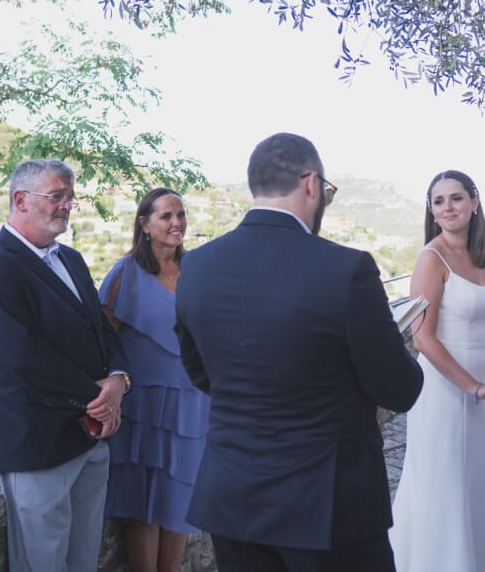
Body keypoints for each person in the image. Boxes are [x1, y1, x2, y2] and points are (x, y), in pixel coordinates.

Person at [174, 132, 424, 572]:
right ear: (312, 184)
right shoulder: (346, 269)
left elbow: (201, 372)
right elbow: (399, 390)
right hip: (329, 507)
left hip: (234, 498)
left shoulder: (195, 266)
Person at [0, 159, 130, 572]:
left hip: (89, 438)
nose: (67, 205)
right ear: (21, 200)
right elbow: (20, 359)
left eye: (70, 197)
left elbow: (102, 330)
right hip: (37, 444)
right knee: (43, 564)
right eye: (57, 196)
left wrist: (118, 379)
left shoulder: (71, 259)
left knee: (82, 561)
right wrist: (99, 399)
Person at [389, 170, 485, 572]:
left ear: (475, 202)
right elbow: (422, 338)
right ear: (431, 210)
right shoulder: (431, 259)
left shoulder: (484, 255)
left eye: (456, 198)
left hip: (483, 390)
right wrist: (474, 387)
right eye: (438, 201)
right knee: (443, 487)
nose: (448, 208)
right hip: (444, 392)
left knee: (475, 481)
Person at [99, 187, 209, 572]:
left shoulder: (199, 269)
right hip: (143, 404)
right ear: (144, 224)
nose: (177, 223)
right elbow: (102, 339)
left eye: (180, 215)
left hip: (192, 401)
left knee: (180, 499)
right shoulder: (123, 274)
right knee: (144, 504)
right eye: (166, 216)